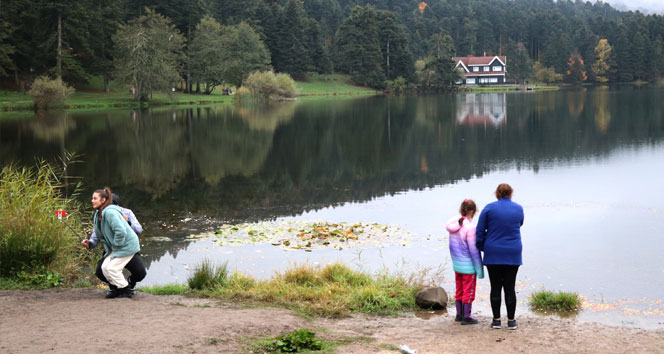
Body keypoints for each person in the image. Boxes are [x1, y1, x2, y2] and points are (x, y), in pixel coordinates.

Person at [476, 183, 524, 330]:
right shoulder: (518, 208)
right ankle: (511, 321)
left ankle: (496, 321)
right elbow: (519, 224)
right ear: (511, 193)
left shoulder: (489, 208)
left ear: (497, 194)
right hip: (513, 252)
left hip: (493, 252)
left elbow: (479, 232)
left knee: (495, 286)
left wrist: (484, 247)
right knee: (510, 287)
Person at [82, 188, 144, 298]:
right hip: (114, 248)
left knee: (136, 271)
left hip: (126, 247)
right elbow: (97, 234)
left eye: (95, 198)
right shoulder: (98, 215)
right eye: (92, 198)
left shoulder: (115, 212)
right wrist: (90, 243)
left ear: (104, 201)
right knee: (104, 269)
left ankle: (126, 289)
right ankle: (115, 289)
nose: (92, 200)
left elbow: (134, 230)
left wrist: (127, 222)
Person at [446, 199, 484, 325]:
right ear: (472, 212)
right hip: (468, 266)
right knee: (469, 290)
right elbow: (474, 251)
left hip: (457, 265)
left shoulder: (455, 226)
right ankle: (467, 316)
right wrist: (479, 269)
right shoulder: (470, 228)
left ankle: (459, 314)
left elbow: (452, 247)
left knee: (459, 289)